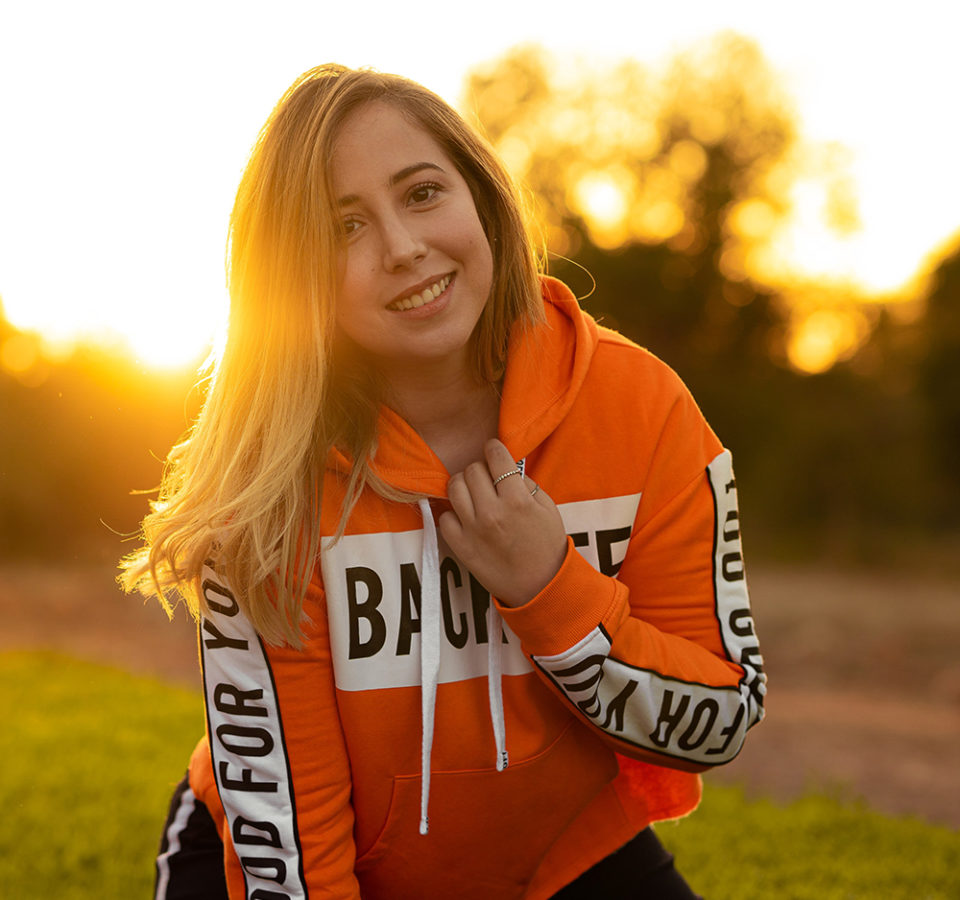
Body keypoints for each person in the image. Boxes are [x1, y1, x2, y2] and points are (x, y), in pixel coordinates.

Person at [121, 63, 766, 900]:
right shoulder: (266, 484)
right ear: (294, 274)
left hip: (560, 856)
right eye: (344, 227)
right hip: (287, 861)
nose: (402, 247)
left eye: (422, 193)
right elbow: (297, 853)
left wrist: (551, 593)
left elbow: (720, 719)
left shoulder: (640, 405)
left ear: (482, 197)